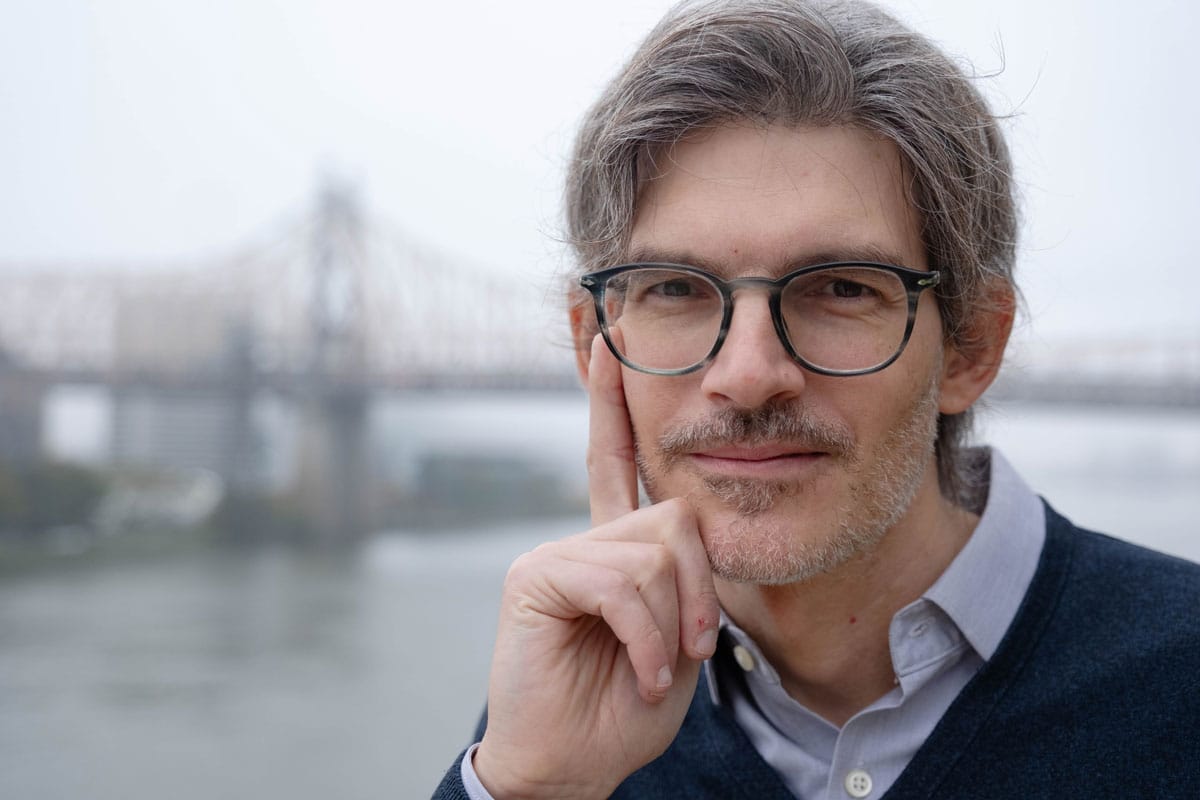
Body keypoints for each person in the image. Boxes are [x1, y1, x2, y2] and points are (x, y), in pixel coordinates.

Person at [434, 1, 1200, 797]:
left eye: (840, 287)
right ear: (596, 344)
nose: (750, 372)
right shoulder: (567, 718)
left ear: (971, 345)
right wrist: (528, 787)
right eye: (675, 289)